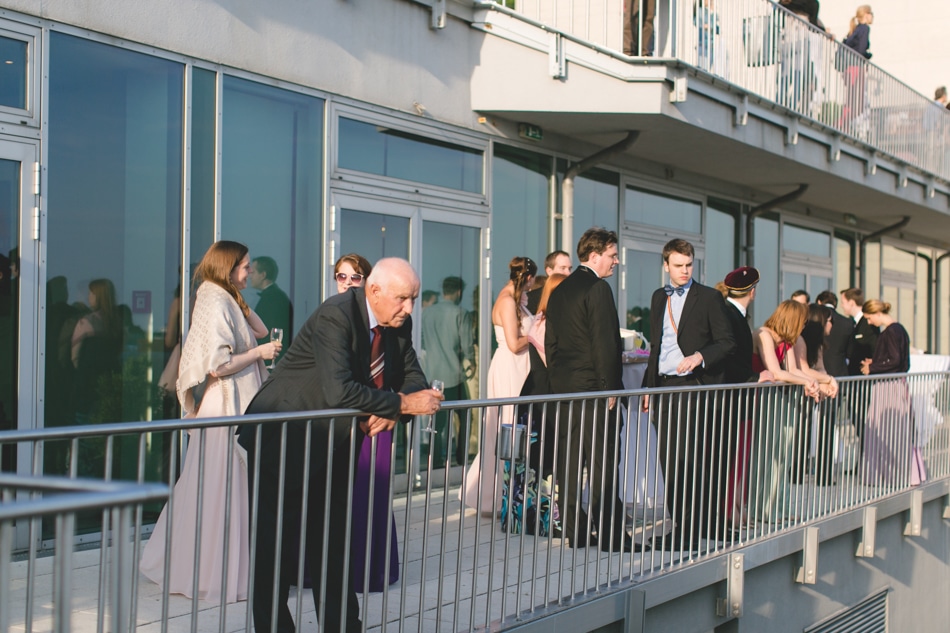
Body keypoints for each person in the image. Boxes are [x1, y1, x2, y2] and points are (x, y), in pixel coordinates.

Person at [238, 257, 441, 633]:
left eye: (412, 298)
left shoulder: (399, 322)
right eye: (402, 298)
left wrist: (395, 408)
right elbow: (339, 389)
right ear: (374, 291)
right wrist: (401, 404)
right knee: (275, 547)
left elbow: (413, 376)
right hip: (284, 435)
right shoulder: (337, 314)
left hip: (334, 438)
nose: (409, 308)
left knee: (332, 542)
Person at [140, 241, 279, 602]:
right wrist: (260, 354)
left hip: (239, 399)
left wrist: (241, 299)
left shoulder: (226, 297)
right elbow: (218, 365)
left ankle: (233, 567)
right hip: (227, 403)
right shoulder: (215, 299)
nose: (249, 272)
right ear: (229, 267)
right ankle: (214, 572)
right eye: (245, 267)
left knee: (232, 485)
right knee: (222, 486)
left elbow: (261, 330)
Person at [642, 238, 735, 550]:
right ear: (666, 266)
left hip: (692, 388)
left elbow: (726, 342)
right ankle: (683, 526)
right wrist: (648, 387)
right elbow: (658, 346)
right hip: (664, 387)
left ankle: (687, 530)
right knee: (669, 460)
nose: (684, 271)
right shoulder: (659, 297)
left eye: (689, 265)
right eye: (678, 265)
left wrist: (699, 357)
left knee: (686, 461)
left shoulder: (708, 298)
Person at [546, 228, 632, 552]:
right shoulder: (598, 289)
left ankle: (576, 532)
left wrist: (558, 384)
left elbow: (551, 346)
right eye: (612, 255)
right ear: (594, 256)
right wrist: (610, 387)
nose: (616, 261)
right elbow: (605, 344)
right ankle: (610, 535)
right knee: (602, 464)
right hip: (595, 392)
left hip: (565, 391)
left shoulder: (559, 291)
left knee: (568, 465)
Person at [462, 256, 536, 515]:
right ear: (528, 278)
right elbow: (515, 343)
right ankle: (492, 494)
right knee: (507, 427)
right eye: (533, 280)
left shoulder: (517, 301)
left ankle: (512, 490)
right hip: (509, 368)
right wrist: (537, 336)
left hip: (521, 369)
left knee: (517, 428)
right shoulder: (506, 301)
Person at [715, 267, 771, 530]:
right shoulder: (730, 316)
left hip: (739, 396)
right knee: (732, 457)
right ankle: (727, 510)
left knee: (739, 457)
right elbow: (729, 357)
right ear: (752, 291)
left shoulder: (735, 314)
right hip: (733, 397)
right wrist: (753, 377)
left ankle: (734, 507)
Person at [859, 300, 922, 486]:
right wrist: (877, 362)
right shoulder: (899, 330)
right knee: (896, 429)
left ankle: (891, 474)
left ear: (877, 314)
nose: (869, 323)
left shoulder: (891, 331)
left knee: (887, 429)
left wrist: (873, 367)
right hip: (896, 384)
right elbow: (900, 361)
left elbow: (894, 360)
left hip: (888, 387)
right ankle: (900, 473)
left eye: (869, 318)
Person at [420, 275, 475, 467]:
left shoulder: (427, 313)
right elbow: (467, 344)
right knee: (466, 417)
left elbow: (423, 342)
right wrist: (471, 360)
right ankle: (461, 460)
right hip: (454, 375)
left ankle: (434, 462)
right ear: (459, 292)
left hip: (434, 374)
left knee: (437, 423)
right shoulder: (460, 313)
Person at [249, 255, 293, 361]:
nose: (250, 276)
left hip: (271, 359)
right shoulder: (275, 296)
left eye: (253, 272)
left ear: (263, 275)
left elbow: (271, 331)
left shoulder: (273, 299)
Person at [839, 5, 873, 132]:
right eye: (871, 14)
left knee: (851, 98)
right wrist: (867, 55)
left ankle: (844, 123)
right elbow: (861, 49)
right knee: (858, 101)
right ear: (866, 14)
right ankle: (843, 123)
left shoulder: (855, 29)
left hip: (849, 68)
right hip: (856, 68)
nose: (872, 17)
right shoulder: (864, 29)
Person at [815, 290, 852, 378]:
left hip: (816, 372)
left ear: (819, 302)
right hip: (839, 371)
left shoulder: (814, 318)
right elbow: (851, 351)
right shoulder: (847, 322)